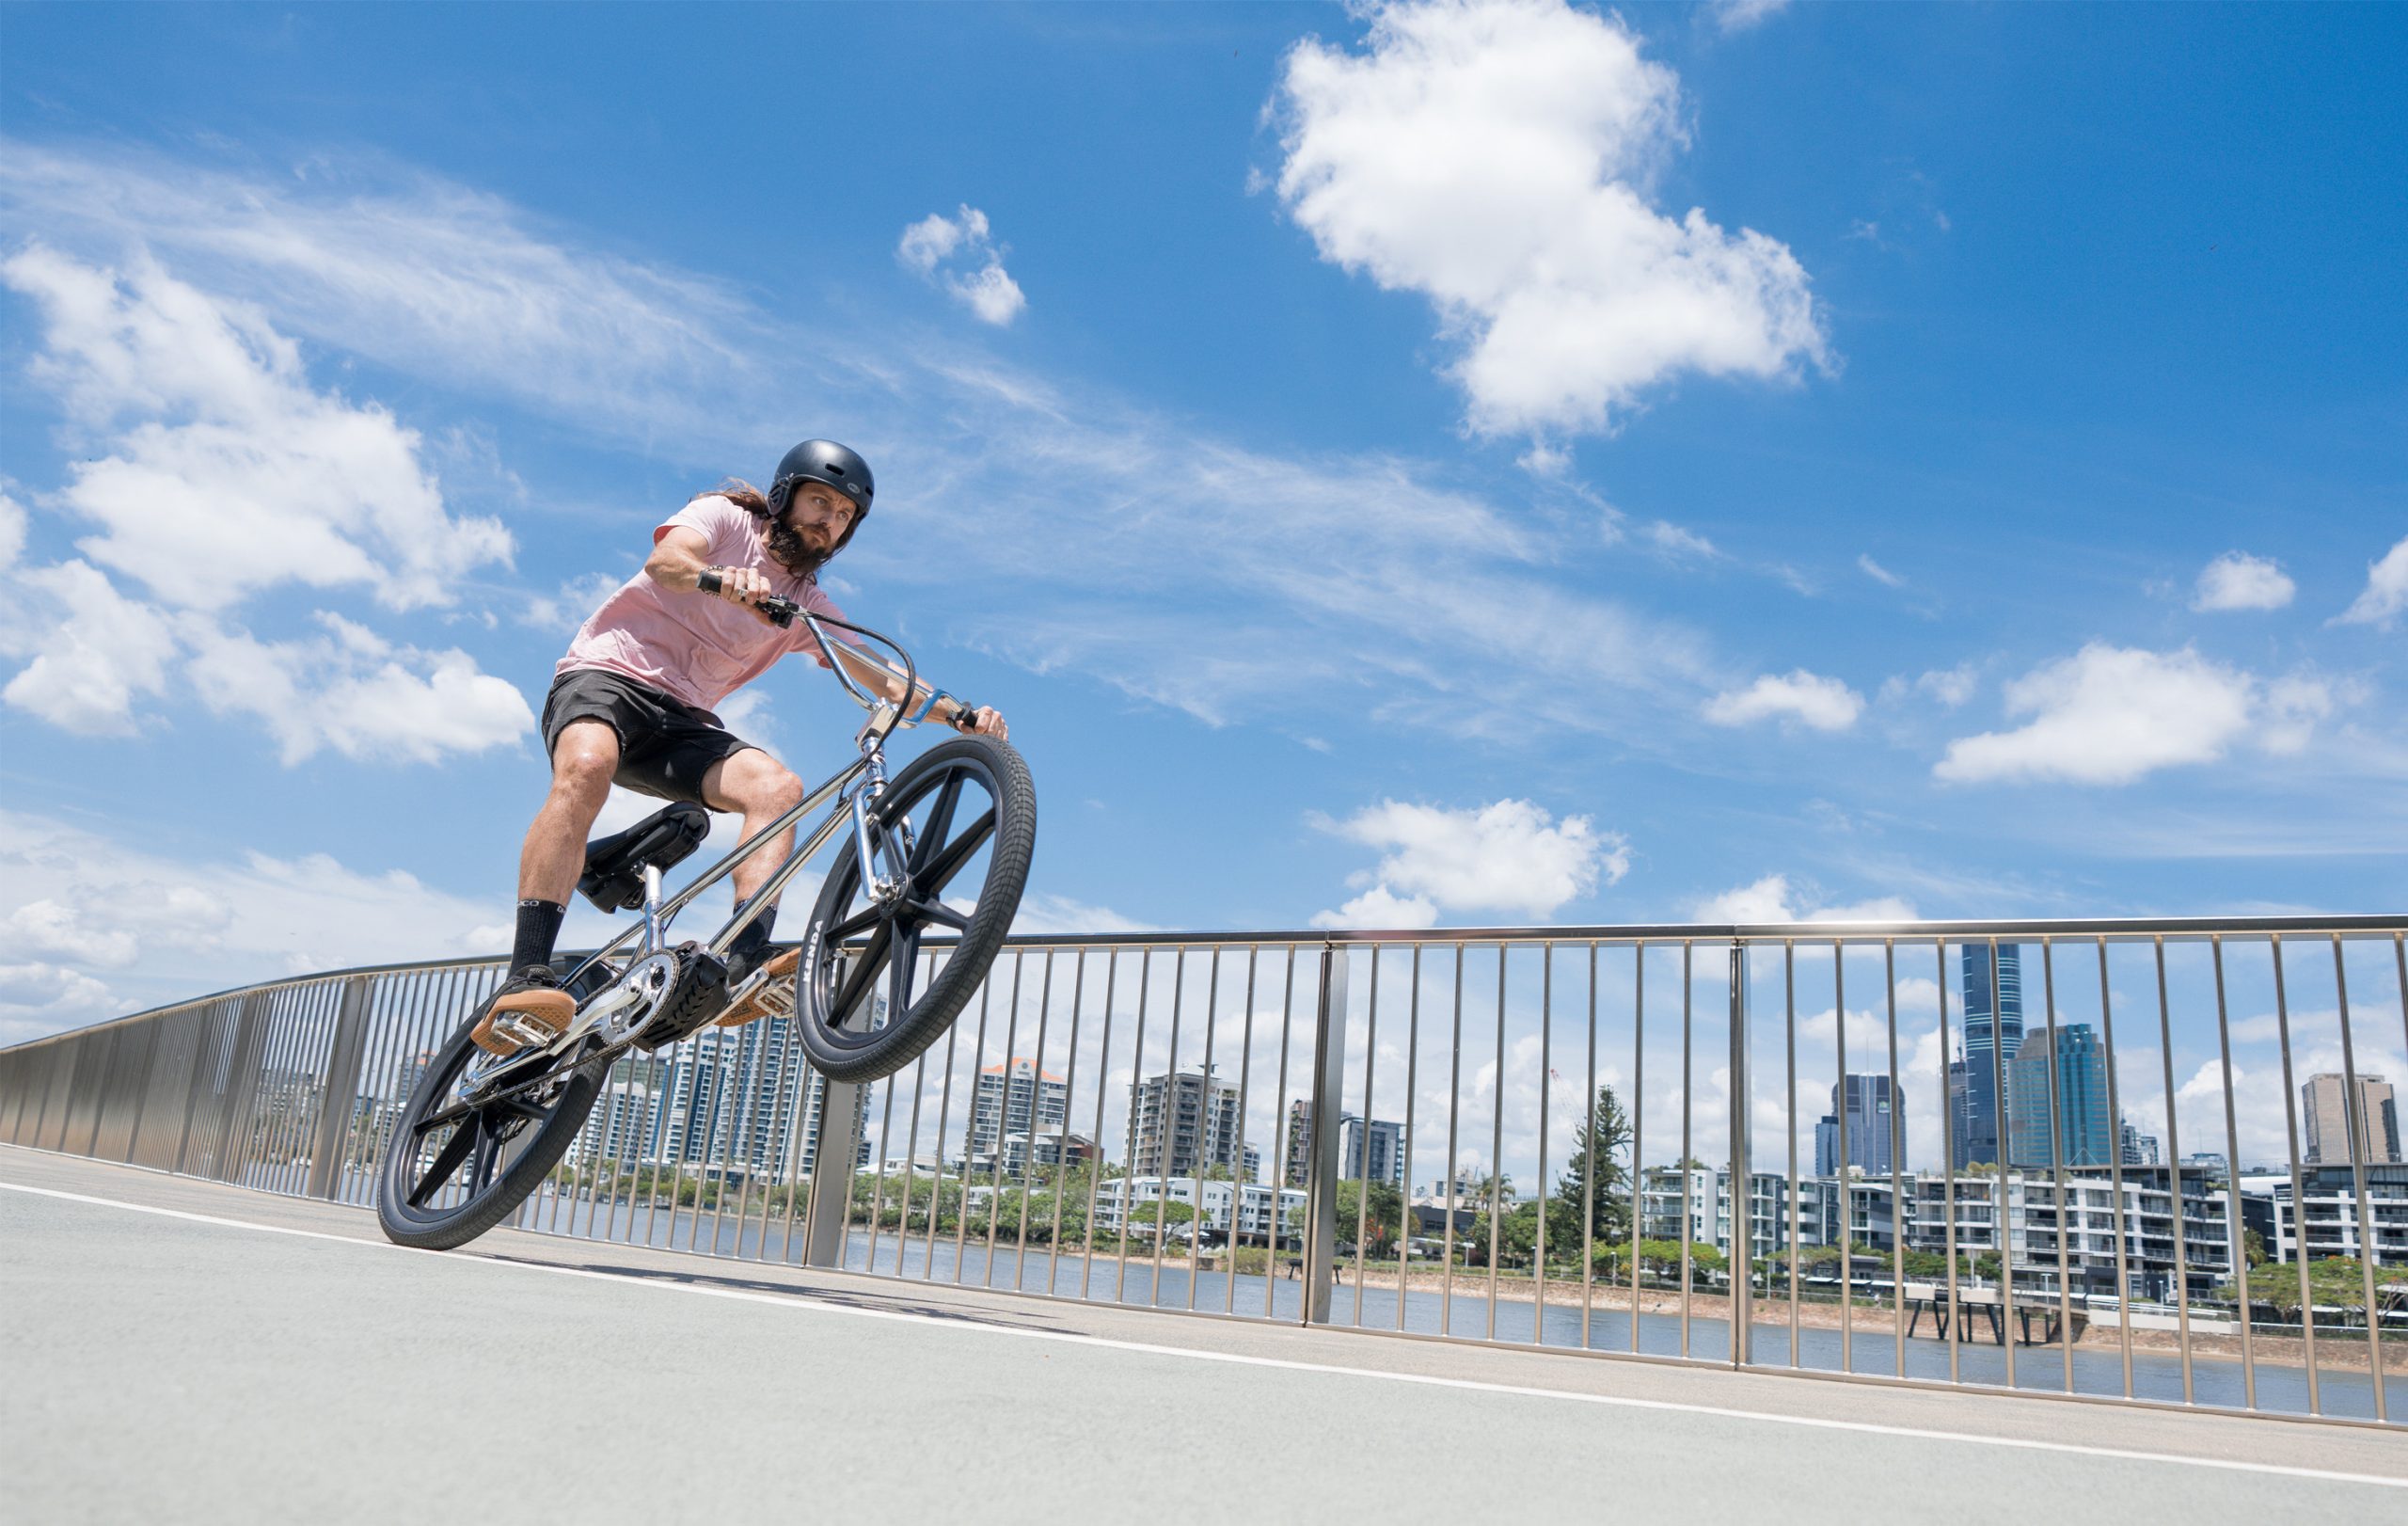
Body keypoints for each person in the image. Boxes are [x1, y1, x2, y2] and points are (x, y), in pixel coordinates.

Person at [472, 438, 1006, 1055]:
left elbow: (884, 677)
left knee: (778, 787)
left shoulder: (805, 605)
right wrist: (719, 579)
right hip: (607, 678)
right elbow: (666, 562)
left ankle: (745, 958)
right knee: (587, 767)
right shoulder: (727, 521)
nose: (828, 522)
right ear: (783, 497)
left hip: (682, 723)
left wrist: (961, 714)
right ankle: (526, 974)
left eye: (843, 517)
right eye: (819, 503)